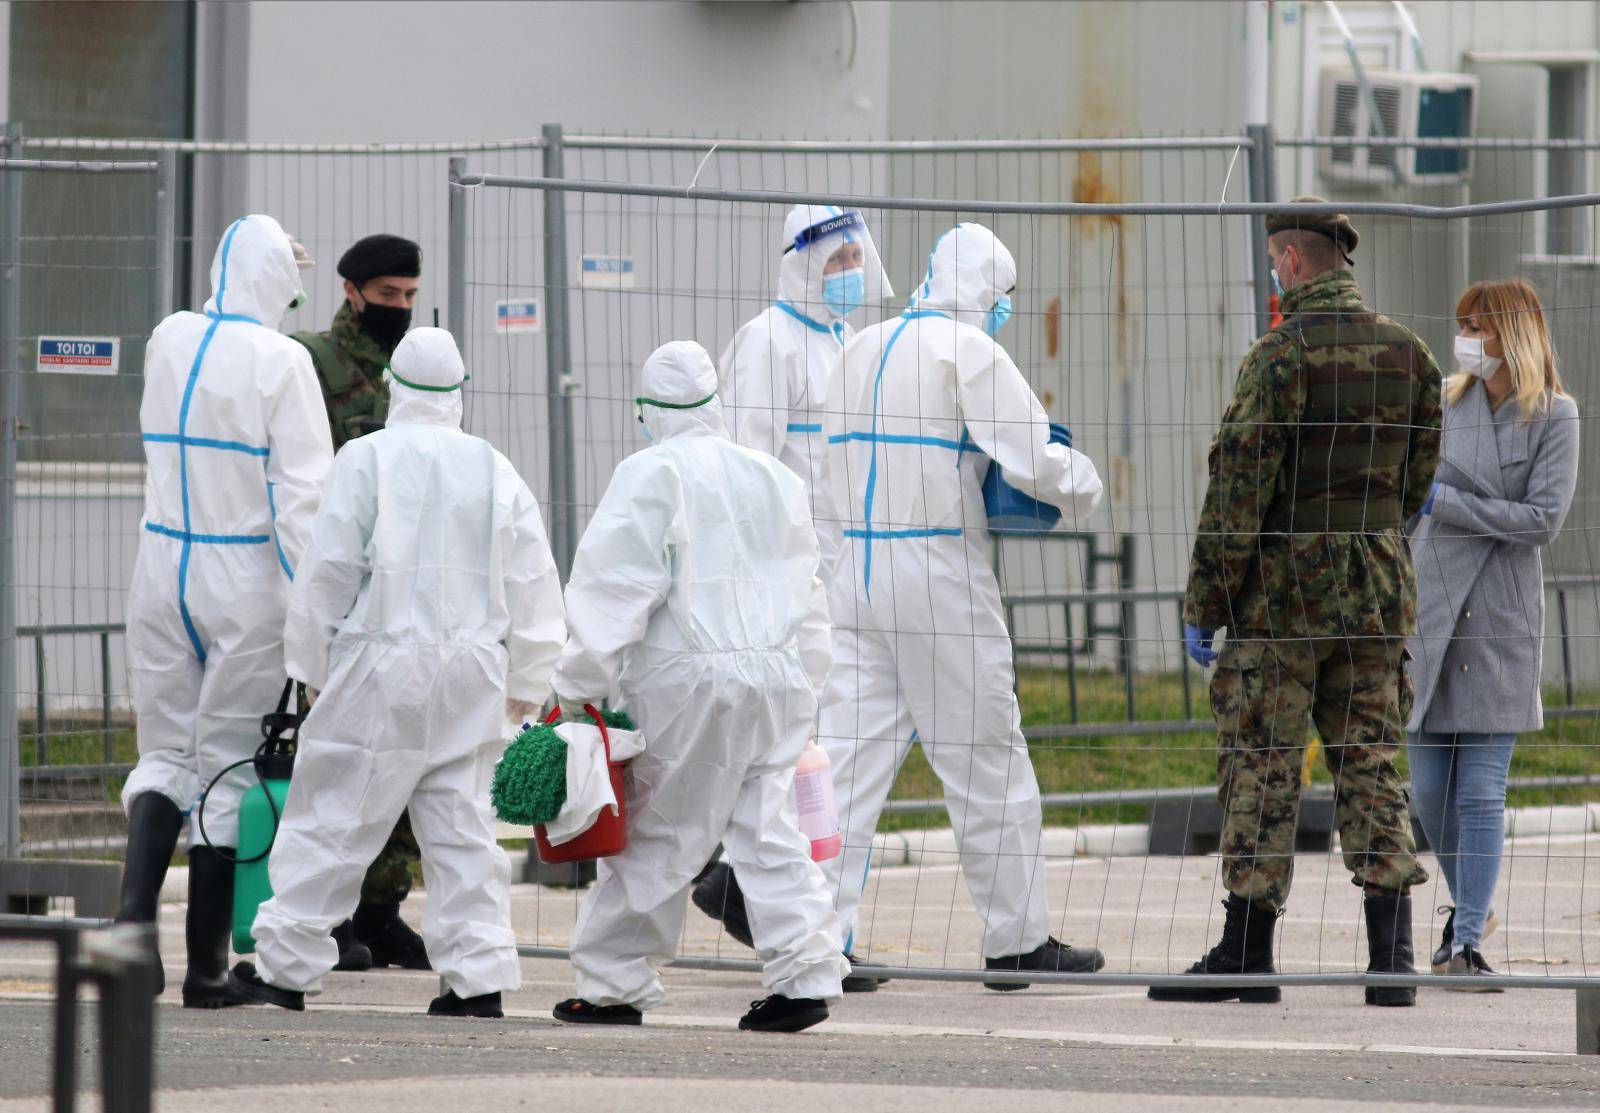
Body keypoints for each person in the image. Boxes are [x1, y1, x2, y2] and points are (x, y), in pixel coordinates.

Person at [227, 327, 566, 1018]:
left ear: (395, 387)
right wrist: (526, 681)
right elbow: (534, 580)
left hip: (381, 661)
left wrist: (313, 666)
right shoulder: (494, 466)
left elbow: (328, 570)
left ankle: (285, 966)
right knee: (463, 826)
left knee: (334, 811)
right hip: (472, 669)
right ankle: (478, 979)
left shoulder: (367, 458)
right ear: (459, 390)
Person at [1155, 196, 1441, 1007]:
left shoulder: (1280, 355)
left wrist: (1208, 597)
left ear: (1288, 261)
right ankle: (1392, 961)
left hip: (1282, 602)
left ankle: (1248, 952)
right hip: (1378, 594)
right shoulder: (1409, 354)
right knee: (1374, 764)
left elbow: (1239, 488)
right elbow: (1419, 480)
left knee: (1263, 767)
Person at [819, 223, 1106, 990]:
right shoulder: (970, 350)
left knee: (846, 759)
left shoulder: (860, 345)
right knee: (985, 754)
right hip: (937, 565)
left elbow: (824, 470)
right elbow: (1032, 455)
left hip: (855, 566)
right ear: (990, 292)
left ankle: (814, 936)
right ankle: (1017, 941)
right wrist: (1087, 482)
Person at [548, 340, 849, 1034]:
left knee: (655, 832)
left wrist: (577, 689)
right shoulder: (773, 476)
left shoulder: (650, 473)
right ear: (714, 402)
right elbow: (810, 590)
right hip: (776, 679)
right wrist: (810, 687)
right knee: (769, 830)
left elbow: (613, 589)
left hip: (687, 682)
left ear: (647, 409)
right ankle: (805, 975)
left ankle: (613, 984)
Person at [118, 214, 331, 1007]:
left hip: (161, 560)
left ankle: (130, 934)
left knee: (163, 751)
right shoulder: (284, 361)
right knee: (224, 764)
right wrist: (320, 619)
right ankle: (205, 968)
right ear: (278, 284)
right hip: (243, 576)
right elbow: (303, 500)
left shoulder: (167, 337)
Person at [694, 204, 892, 990]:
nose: (847, 277)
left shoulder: (845, 342)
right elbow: (745, 464)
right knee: (785, 751)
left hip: (838, 577)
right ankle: (775, 909)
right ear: (801, 263)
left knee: (815, 756)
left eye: (854, 261)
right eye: (835, 263)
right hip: (782, 579)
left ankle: (776, 906)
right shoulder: (768, 341)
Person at [1407, 279, 1578, 989]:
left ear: (1513, 332)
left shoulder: (1556, 414)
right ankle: (1470, 905)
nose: (1467, 340)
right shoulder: (1447, 403)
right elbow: (1404, 490)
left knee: (1481, 792)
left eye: (1477, 326)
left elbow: (1543, 520)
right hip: (1430, 607)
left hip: (1500, 619)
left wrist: (1447, 500)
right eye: (1462, 326)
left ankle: (1467, 936)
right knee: (1424, 789)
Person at [291, 233, 429, 972]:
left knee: (409, 763)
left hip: (410, 598)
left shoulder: (416, 372)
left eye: (408, 296)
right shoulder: (312, 363)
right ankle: (331, 916)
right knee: (341, 766)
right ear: (350, 291)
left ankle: (383, 911)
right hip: (343, 593)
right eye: (387, 297)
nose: (399, 310)